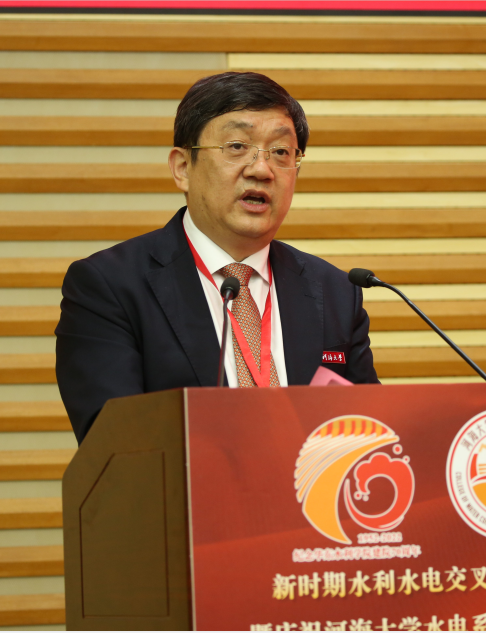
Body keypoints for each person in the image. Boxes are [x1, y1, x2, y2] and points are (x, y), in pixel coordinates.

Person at [55, 71, 379, 443]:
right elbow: (118, 446)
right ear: (182, 168)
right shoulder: (110, 286)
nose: (261, 170)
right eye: (237, 146)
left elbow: (368, 431)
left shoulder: (336, 291)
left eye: (280, 152)